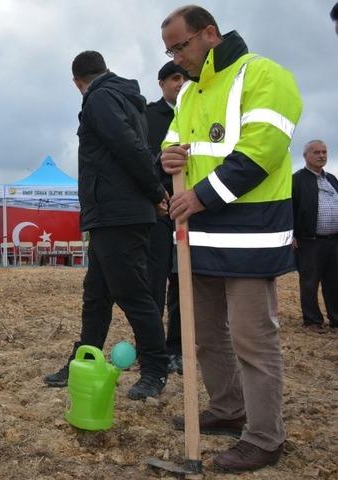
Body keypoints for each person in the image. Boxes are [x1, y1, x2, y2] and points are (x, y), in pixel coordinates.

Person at [160, 5, 302, 472]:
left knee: (252, 339)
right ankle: (227, 408)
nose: (176, 58)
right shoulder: (187, 94)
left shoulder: (263, 74)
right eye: (169, 51)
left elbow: (261, 152)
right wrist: (168, 160)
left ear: (210, 34)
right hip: (198, 235)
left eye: (181, 46)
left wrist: (199, 197)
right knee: (203, 336)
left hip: (251, 234)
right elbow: (173, 143)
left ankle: (264, 437)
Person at [42, 51, 169, 400]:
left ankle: (155, 369)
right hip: (111, 213)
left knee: (132, 293)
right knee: (96, 295)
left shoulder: (98, 99)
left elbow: (130, 147)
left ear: (76, 82)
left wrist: (155, 191)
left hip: (119, 213)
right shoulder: (127, 98)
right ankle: (85, 359)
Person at [145, 61, 188, 375]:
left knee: (183, 284)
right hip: (160, 213)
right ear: (161, 83)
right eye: (175, 78)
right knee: (154, 282)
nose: (181, 83)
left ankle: (178, 348)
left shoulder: (199, 112)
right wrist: (159, 196)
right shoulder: (147, 116)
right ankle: (152, 348)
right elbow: (143, 162)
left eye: (185, 78)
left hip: (194, 212)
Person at [292, 140, 338, 331]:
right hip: (309, 241)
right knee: (310, 282)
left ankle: (336, 319)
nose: (321, 155)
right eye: (316, 152)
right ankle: (312, 321)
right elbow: (289, 209)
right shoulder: (297, 180)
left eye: (324, 152)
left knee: (334, 282)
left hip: (333, 241)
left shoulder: (332, 180)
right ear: (305, 156)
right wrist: (292, 234)